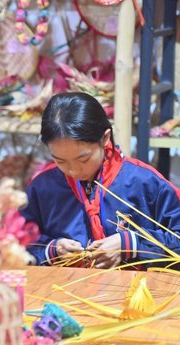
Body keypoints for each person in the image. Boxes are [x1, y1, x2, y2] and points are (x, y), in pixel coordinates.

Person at [21, 92, 180, 269]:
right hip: (64, 292)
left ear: (104, 138)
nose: (73, 170)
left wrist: (131, 244)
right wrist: (51, 251)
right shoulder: (43, 187)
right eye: (60, 161)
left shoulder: (143, 182)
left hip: (137, 293)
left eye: (83, 159)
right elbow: (17, 245)